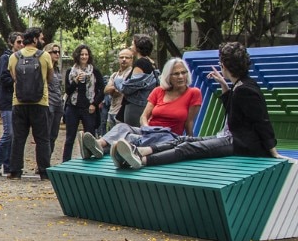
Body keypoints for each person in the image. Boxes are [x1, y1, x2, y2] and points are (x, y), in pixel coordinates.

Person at [115, 42, 281, 169]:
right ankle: (141, 150)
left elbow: (261, 121)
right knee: (183, 139)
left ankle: (143, 160)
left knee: (188, 148)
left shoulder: (245, 89)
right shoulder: (241, 85)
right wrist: (224, 86)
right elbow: (234, 110)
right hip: (229, 137)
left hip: (238, 143)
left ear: (224, 65)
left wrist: (272, 151)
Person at [79, 57, 202, 162]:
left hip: (169, 137)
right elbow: (144, 116)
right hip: (149, 131)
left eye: (183, 72)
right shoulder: (158, 91)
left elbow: (189, 121)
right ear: (168, 76)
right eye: (176, 74)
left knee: (131, 137)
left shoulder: (193, 93)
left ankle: (94, 149)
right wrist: (147, 128)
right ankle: (98, 144)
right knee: (122, 127)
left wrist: (190, 142)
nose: (181, 76)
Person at [8, 27, 53, 180]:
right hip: (40, 102)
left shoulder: (14, 57)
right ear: (34, 39)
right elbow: (49, 78)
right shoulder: (45, 56)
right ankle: (44, 171)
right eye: (41, 38)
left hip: (19, 102)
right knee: (42, 139)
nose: (43, 40)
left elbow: (14, 77)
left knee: (18, 138)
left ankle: (15, 171)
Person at [61, 44, 104, 162]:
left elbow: (101, 90)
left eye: (86, 54)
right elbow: (68, 91)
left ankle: (91, 163)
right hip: (73, 106)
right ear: (77, 56)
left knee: (90, 137)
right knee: (70, 137)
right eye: (82, 54)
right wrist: (75, 81)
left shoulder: (95, 71)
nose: (84, 57)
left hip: (88, 107)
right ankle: (66, 162)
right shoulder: (70, 71)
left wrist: (94, 104)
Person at [0, 32, 23, 176]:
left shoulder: (22, 58)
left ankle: (8, 165)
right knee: (8, 133)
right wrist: (18, 79)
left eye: (22, 42)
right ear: (11, 43)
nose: (21, 45)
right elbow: (3, 78)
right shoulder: (6, 58)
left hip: (18, 100)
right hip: (7, 99)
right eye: (18, 42)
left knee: (14, 134)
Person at [118, 34, 157, 127]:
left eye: (133, 44)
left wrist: (118, 81)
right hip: (144, 104)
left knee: (132, 131)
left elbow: (130, 87)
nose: (131, 47)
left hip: (135, 106)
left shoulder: (140, 63)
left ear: (138, 47)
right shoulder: (151, 63)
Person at [105, 48, 133, 132]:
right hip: (112, 110)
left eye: (127, 57)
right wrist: (115, 88)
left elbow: (124, 90)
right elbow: (106, 90)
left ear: (131, 59)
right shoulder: (114, 75)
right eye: (121, 57)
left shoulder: (132, 74)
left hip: (123, 112)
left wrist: (114, 88)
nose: (124, 59)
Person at [43, 42, 63, 156]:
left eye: (58, 52)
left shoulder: (57, 69)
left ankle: (48, 158)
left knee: (54, 135)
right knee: (46, 134)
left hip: (58, 103)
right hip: (48, 102)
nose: (57, 54)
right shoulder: (44, 67)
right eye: (54, 52)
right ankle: (43, 161)